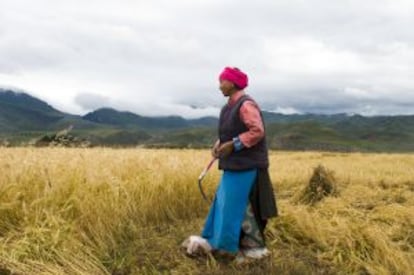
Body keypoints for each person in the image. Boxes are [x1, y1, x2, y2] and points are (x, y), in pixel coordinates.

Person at [194, 67, 278, 259]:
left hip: (247, 167)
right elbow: (227, 134)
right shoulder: (228, 107)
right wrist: (218, 146)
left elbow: (257, 131)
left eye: (222, 81)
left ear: (232, 83)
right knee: (224, 203)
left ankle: (243, 247)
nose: (219, 86)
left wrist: (234, 145)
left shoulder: (246, 105)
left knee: (237, 206)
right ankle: (220, 242)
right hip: (234, 166)